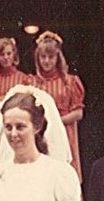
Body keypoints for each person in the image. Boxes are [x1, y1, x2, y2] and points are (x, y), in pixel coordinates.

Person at [33, 31, 86, 180]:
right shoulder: (32, 82)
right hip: (41, 133)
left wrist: (55, 122)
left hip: (65, 131)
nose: (47, 61)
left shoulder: (70, 82)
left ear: (58, 58)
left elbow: (78, 113)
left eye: (51, 57)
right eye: (43, 57)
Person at [0, 37, 33, 103]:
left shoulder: (24, 79)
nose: (6, 57)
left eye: (9, 53)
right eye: (2, 54)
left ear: (14, 54)